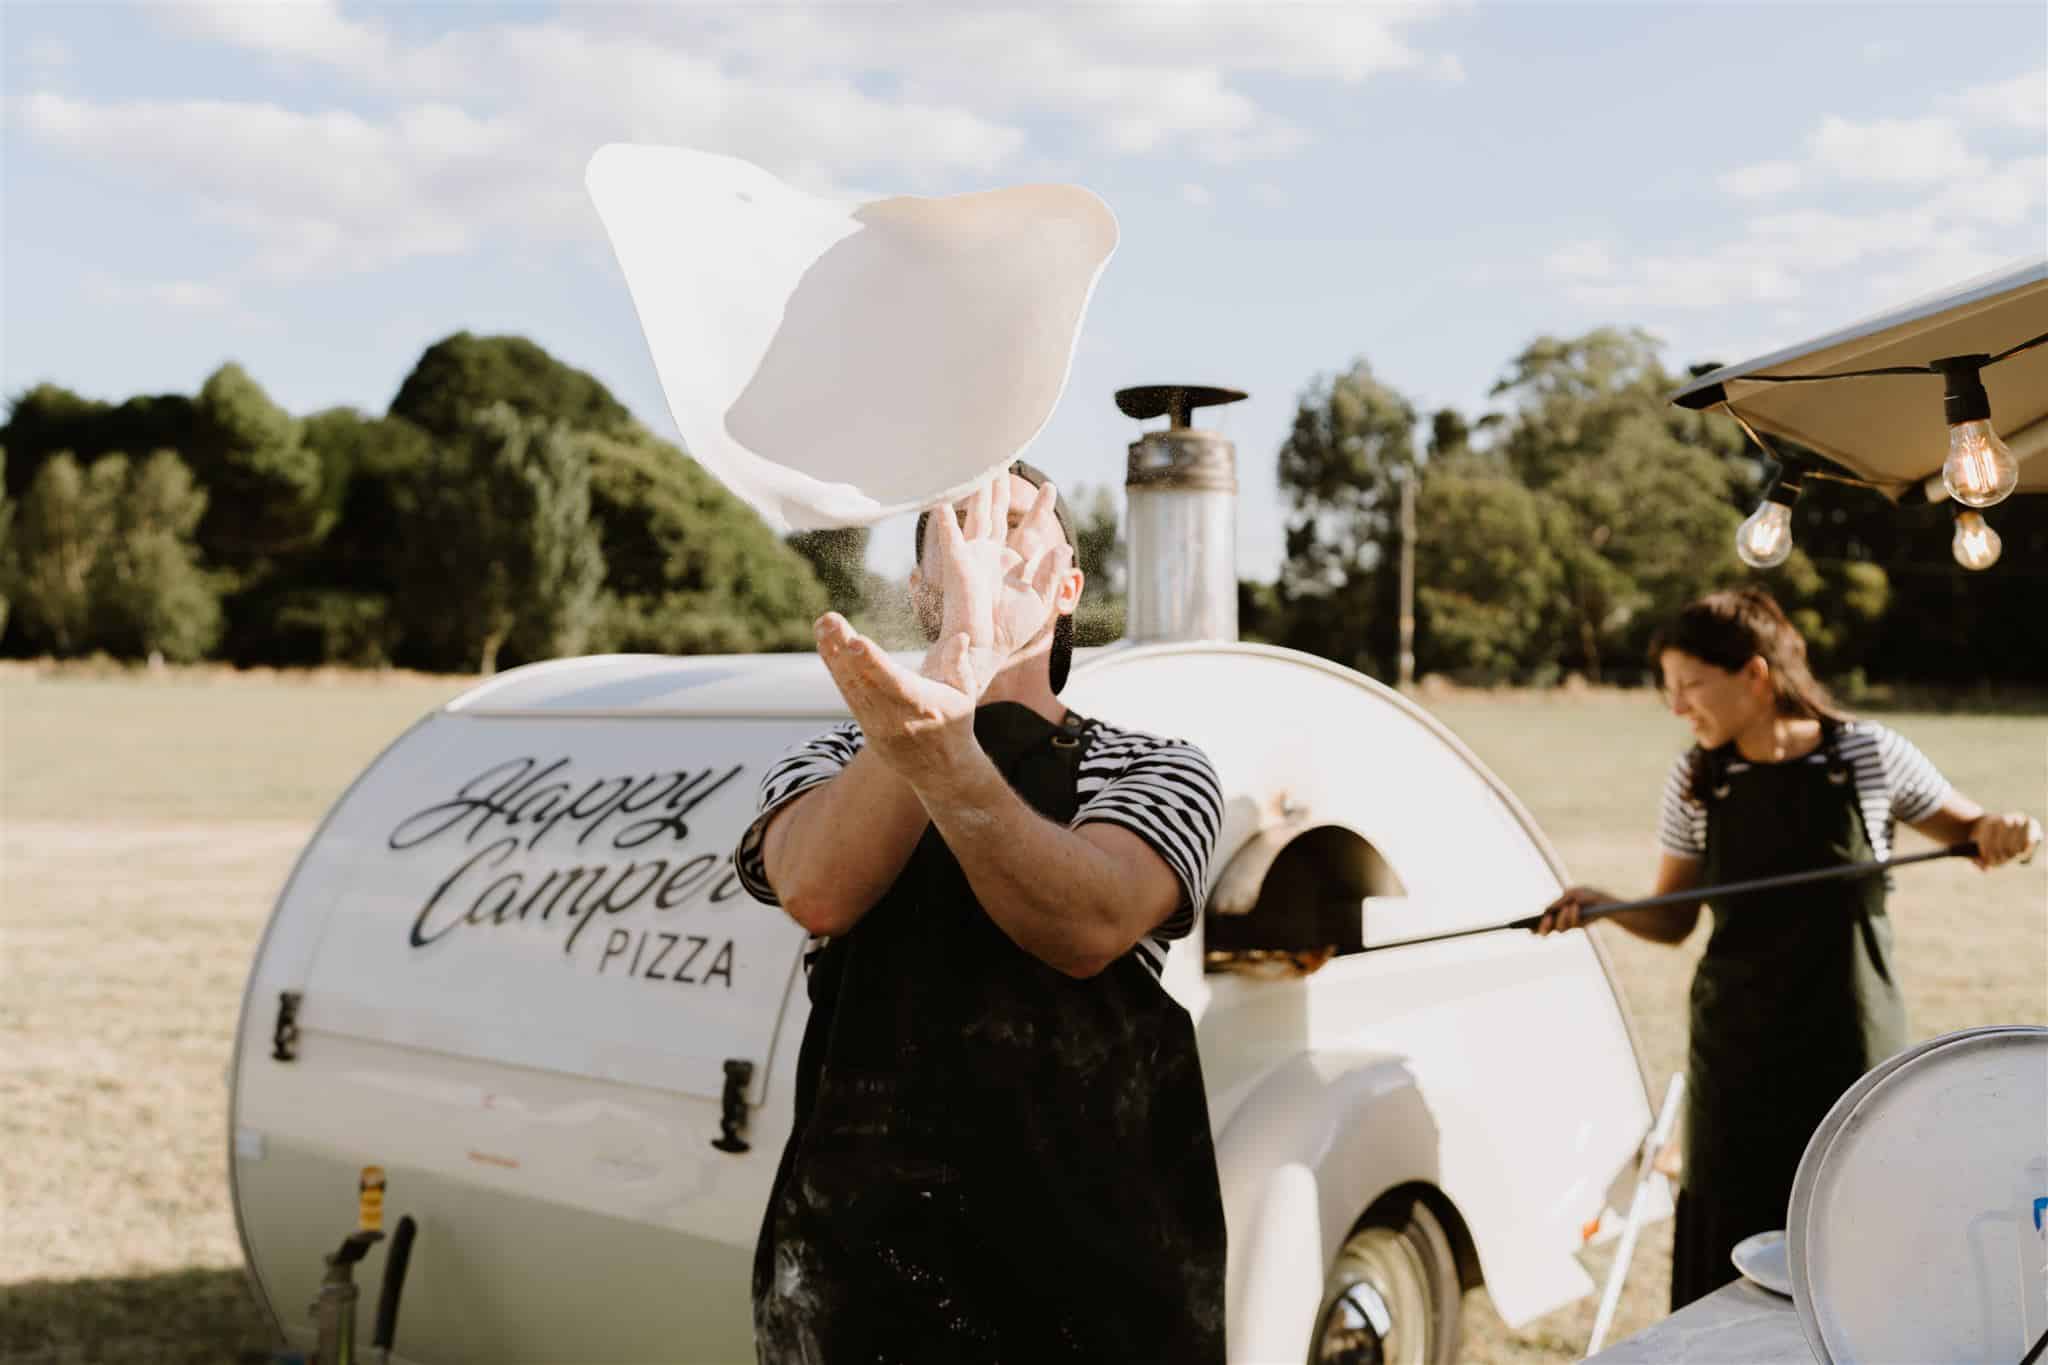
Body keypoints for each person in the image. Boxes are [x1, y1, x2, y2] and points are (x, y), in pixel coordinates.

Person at [733, 461, 1228, 1362]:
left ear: (1069, 588)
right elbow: (816, 888)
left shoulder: (1158, 767)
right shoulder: (839, 754)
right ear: (924, 592)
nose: (986, 554)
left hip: (1097, 1285)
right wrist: (951, 674)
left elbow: (1089, 924)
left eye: (1012, 533)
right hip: (857, 1285)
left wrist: (942, 736)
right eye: (961, 540)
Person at [1536, 586, 2041, 1312]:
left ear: (1755, 675)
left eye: (1690, 687)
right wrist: (1607, 905)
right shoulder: (1696, 781)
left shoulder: (1869, 754)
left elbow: (1978, 832)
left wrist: (2009, 830)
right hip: (1736, 1062)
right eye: (1667, 691)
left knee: (1860, 1243)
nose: (1677, 707)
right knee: (1730, 1268)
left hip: (1851, 1047)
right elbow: (1675, 918)